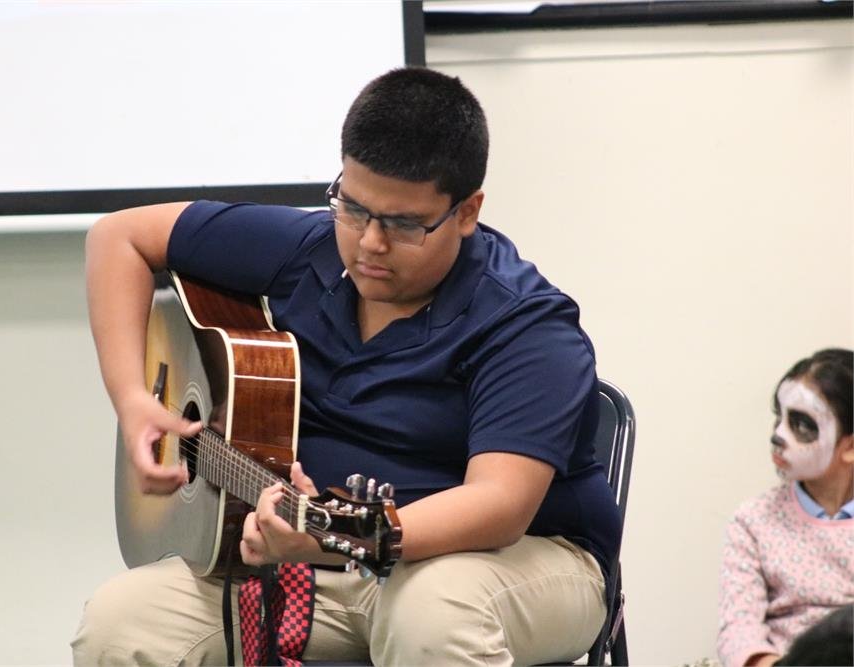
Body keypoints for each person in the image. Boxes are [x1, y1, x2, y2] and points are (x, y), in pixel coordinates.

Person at [73, 67, 619, 666]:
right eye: (353, 208)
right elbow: (118, 238)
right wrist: (132, 401)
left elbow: (499, 505)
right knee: (120, 624)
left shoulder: (526, 325)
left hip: (515, 564)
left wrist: (342, 539)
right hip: (315, 562)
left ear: (466, 212)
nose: (368, 243)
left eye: (404, 223)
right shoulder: (304, 251)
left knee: (432, 610)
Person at [717, 348, 854, 667]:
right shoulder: (753, 521)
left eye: (801, 424)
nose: (779, 435)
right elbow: (738, 632)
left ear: (850, 446)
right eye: (779, 417)